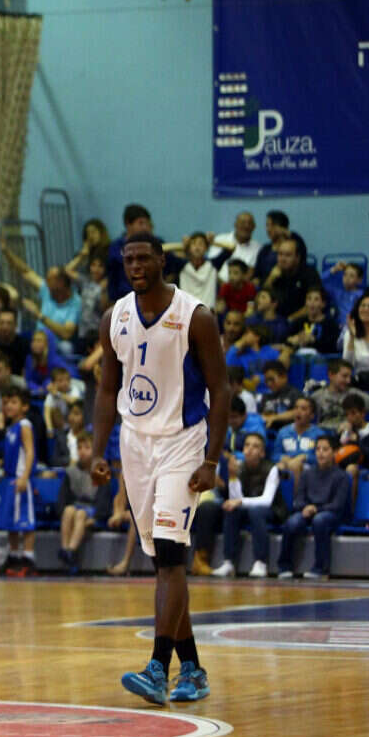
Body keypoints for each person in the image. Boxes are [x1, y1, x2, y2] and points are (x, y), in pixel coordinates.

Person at [91, 231, 229, 705]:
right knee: (163, 564)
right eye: (128, 259)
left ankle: (157, 667)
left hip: (182, 443)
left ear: (162, 261)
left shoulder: (196, 316)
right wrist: (98, 451)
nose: (135, 266)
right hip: (135, 445)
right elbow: (107, 389)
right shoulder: (115, 317)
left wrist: (211, 460)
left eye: (143, 258)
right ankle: (192, 668)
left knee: (171, 557)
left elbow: (221, 390)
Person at [206, 432, 283, 578]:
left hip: (272, 510)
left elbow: (267, 500)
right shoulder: (240, 467)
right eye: (247, 445)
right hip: (248, 509)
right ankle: (229, 562)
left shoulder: (271, 469)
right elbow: (235, 499)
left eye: (255, 446)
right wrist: (233, 477)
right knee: (231, 510)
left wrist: (240, 502)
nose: (249, 449)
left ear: (262, 453)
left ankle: (261, 562)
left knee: (256, 512)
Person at [277, 435, 349, 580]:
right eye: (318, 449)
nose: (320, 453)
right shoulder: (307, 473)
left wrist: (316, 509)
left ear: (335, 452)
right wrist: (305, 508)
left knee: (320, 520)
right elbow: (298, 499)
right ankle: (284, 566)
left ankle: (321, 569)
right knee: (292, 522)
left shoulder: (341, 476)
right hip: (308, 511)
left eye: (325, 449)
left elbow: (338, 504)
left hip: (329, 514)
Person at [2, 245, 81, 354]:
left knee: (66, 348)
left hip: (57, 343)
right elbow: (25, 271)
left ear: (61, 282)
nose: (46, 282)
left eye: (49, 279)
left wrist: (39, 315)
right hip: (38, 337)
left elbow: (66, 333)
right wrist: (6, 252)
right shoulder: (47, 289)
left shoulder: (75, 302)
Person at [0, 386, 37, 576]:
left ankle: (28, 559)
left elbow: (29, 451)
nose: (8, 406)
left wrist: (25, 476)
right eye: (6, 403)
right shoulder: (11, 428)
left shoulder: (24, 425)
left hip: (21, 479)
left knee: (25, 521)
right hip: (10, 479)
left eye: (13, 402)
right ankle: (13, 557)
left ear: (24, 406)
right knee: (11, 521)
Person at [56, 434, 111, 574]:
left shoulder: (100, 471)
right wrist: (61, 512)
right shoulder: (71, 471)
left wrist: (96, 518)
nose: (82, 451)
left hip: (91, 510)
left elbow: (104, 499)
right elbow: (63, 498)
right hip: (75, 507)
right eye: (79, 447)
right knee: (68, 511)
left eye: (87, 447)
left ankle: (71, 551)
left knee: (80, 514)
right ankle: (66, 550)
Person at [260, 238, 321, 321]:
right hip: (274, 321)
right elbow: (261, 299)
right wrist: (271, 279)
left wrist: (289, 320)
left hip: (299, 321)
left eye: (288, 255)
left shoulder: (309, 274)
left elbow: (313, 306)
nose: (283, 259)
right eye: (280, 254)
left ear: (297, 258)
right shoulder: (273, 272)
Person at [64, 250, 108, 352]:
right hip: (82, 333)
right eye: (93, 265)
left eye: (100, 266)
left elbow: (104, 308)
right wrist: (82, 255)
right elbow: (67, 270)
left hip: (98, 334)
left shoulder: (107, 285)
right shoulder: (85, 282)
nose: (96, 269)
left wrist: (103, 290)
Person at [252, 210, 308, 288]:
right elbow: (257, 273)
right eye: (267, 225)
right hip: (266, 286)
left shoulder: (294, 245)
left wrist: (285, 232)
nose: (268, 229)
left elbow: (302, 252)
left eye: (272, 225)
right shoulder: (265, 249)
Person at [281, 287, 341, 359]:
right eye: (309, 299)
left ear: (323, 304)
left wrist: (313, 340)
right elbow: (285, 340)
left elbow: (333, 347)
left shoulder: (331, 324)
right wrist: (294, 339)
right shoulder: (299, 322)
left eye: (316, 299)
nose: (312, 303)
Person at [274, 396, 323, 484]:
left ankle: (298, 493)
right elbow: (274, 455)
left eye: (303, 409)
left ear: (312, 415)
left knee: (295, 465)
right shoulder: (283, 432)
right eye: (296, 408)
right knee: (278, 467)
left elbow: (322, 457)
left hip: (311, 468)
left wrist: (305, 457)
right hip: (288, 463)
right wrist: (282, 457)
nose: (298, 411)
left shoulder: (319, 434)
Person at [312, 359, 369, 431]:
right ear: (331, 375)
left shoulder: (356, 395)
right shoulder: (317, 396)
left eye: (349, 377)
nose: (348, 381)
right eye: (344, 376)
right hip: (323, 434)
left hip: (349, 434)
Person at [165, 234, 218, 310]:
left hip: (207, 311)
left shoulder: (213, 264)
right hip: (187, 311)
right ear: (189, 248)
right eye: (193, 243)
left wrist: (213, 242)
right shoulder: (181, 264)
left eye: (201, 244)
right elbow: (162, 249)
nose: (197, 247)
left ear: (206, 248)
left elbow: (232, 247)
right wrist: (183, 246)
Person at [210, 211, 262, 280]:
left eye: (249, 223)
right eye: (242, 222)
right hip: (216, 283)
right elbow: (212, 267)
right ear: (235, 224)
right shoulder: (219, 240)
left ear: (254, 227)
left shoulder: (259, 249)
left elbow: (253, 273)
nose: (246, 226)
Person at [259, 360, 301, 429]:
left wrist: (275, 417)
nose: (269, 384)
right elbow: (261, 415)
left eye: (271, 379)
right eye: (266, 380)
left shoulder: (295, 394)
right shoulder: (266, 396)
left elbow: (298, 412)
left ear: (284, 376)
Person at [321, 261, 365, 325]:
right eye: (345, 274)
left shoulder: (362, 295)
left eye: (351, 276)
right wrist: (333, 269)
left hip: (355, 326)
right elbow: (318, 281)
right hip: (338, 326)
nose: (347, 278)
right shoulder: (337, 293)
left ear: (359, 280)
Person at [342, 290, 369, 384]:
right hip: (361, 383)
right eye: (363, 305)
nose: (366, 309)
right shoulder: (349, 334)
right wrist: (352, 337)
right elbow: (346, 365)